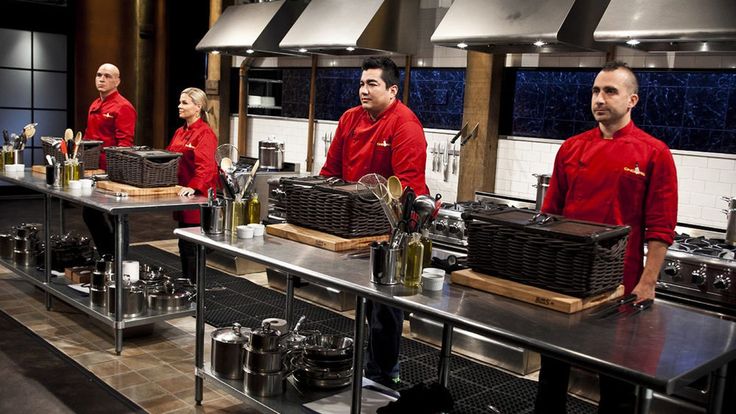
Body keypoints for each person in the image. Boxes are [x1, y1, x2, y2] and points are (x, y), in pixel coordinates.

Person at [535, 61, 678, 413]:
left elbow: (660, 227)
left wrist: (647, 283)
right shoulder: (571, 148)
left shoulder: (653, 152)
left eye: (610, 91)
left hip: (620, 281)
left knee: (615, 380)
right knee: (553, 369)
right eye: (596, 91)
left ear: (632, 100)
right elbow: (550, 216)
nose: (600, 99)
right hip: (567, 276)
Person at [320, 57, 429, 387]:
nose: (363, 90)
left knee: (383, 309)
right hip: (354, 224)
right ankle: (368, 369)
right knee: (362, 300)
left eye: (372, 84)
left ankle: (383, 376)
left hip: (393, 228)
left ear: (392, 90)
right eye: (362, 83)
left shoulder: (405, 124)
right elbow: (331, 172)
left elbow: (405, 186)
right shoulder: (350, 118)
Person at [83, 63, 137, 258]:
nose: (102, 79)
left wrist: (117, 173)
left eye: (107, 76)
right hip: (93, 170)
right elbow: (88, 138)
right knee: (90, 213)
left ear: (117, 81)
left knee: (118, 216)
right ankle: (108, 255)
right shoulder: (95, 105)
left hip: (113, 171)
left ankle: (120, 259)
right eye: (99, 75)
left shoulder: (123, 107)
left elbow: (125, 143)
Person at [167, 87, 218, 283]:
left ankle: (195, 291)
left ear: (198, 107)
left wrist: (193, 186)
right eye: (180, 102)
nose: (179, 106)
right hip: (182, 197)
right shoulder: (180, 132)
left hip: (197, 199)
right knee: (184, 244)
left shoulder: (205, 134)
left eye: (185, 103)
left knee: (191, 248)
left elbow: (206, 168)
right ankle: (188, 284)